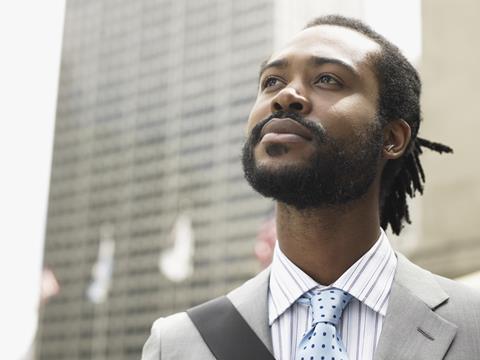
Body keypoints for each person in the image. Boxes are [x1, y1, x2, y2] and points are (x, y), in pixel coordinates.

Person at [142, 15, 480, 360]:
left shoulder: (474, 325)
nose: (286, 96)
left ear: (392, 138)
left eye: (328, 79)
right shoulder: (177, 344)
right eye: (271, 82)